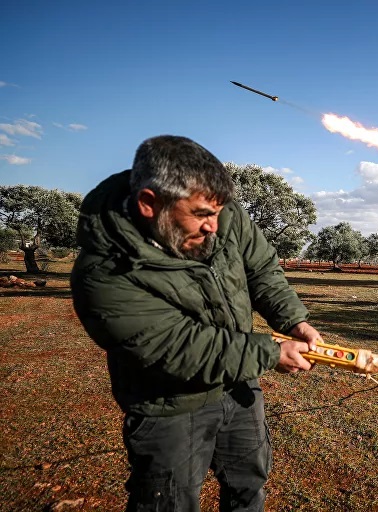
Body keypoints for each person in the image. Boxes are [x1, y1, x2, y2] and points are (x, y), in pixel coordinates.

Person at [71, 135, 320, 511]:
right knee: (168, 502)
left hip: (238, 386)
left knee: (248, 486)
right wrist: (269, 352)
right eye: (202, 214)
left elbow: (262, 270)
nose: (214, 227)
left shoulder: (224, 215)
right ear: (149, 204)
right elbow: (178, 348)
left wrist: (294, 319)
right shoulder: (105, 273)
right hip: (168, 404)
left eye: (219, 212)